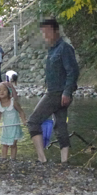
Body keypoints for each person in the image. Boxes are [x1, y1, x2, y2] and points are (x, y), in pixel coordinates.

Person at [27, 19, 79, 164]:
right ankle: (64, 161)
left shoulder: (64, 48)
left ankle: (42, 158)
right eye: (43, 32)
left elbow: (73, 72)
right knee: (60, 125)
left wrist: (67, 92)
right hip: (56, 91)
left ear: (56, 30)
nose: (46, 35)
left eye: (48, 31)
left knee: (33, 122)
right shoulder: (52, 50)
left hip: (57, 93)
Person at [0, 82, 27, 160]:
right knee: (4, 144)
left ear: (8, 92)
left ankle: (13, 158)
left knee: (13, 144)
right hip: (6, 128)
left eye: (4, 90)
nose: (2, 92)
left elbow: (21, 111)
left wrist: (24, 120)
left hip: (14, 126)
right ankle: (3, 158)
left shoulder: (13, 102)